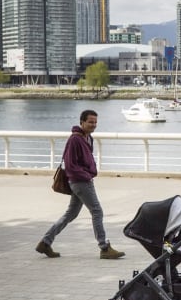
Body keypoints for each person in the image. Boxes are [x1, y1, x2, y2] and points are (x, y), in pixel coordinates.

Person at [36, 110, 125, 259]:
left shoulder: (88, 137)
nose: (93, 125)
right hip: (80, 182)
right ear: (82, 122)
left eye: (95, 122)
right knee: (97, 211)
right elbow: (70, 165)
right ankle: (104, 248)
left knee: (70, 214)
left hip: (82, 181)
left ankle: (45, 242)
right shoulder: (75, 140)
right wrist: (86, 176)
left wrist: (90, 172)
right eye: (90, 122)